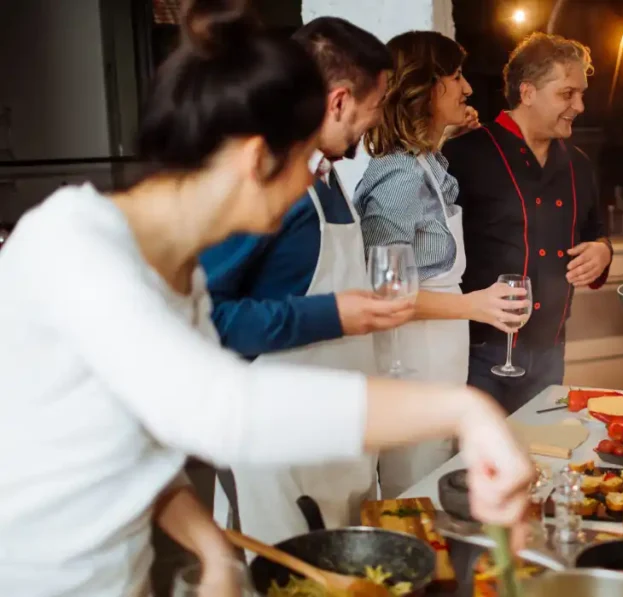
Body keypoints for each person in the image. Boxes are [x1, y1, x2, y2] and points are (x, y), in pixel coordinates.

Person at [0, 2, 533, 595]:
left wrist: (212, 551)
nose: (315, 180)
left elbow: (142, 448)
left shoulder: (181, 278)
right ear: (257, 159)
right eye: (302, 164)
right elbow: (227, 412)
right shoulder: (74, 247)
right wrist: (464, 411)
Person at [197, 16, 410, 548]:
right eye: (377, 102)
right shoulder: (265, 179)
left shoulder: (326, 173)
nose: (377, 119)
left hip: (333, 440)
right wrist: (335, 313)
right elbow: (206, 317)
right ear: (338, 101)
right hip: (274, 448)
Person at [353, 31, 529, 498]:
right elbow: (383, 295)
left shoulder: (425, 163)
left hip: (438, 352)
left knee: (435, 471)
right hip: (409, 358)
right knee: (413, 487)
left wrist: (443, 133)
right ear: (425, 88)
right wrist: (476, 305)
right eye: (455, 76)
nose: (468, 88)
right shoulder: (397, 175)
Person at [442, 32, 613, 414]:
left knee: (540, 461)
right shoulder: (464, 153)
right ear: (528, 92)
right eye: (567, 94)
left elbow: (595, 231)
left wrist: (603, 251)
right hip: (478, 355)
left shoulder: (579, 164)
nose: (580, 106)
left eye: (582, 94)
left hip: (552, 351)